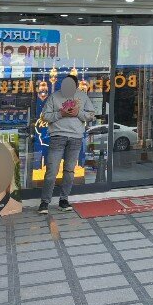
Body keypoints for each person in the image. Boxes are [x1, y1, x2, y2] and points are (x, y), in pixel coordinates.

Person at [38, 75, 96, 214]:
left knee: (69, 171)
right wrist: (61, 114)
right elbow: (45, 116)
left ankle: (63, 200)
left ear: (76, 86)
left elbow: (91, 115)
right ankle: (45, 202)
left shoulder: (82, 96)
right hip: (57, 136)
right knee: (52, 171)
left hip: (76, 137)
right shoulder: (54, 96)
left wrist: (78, 113)